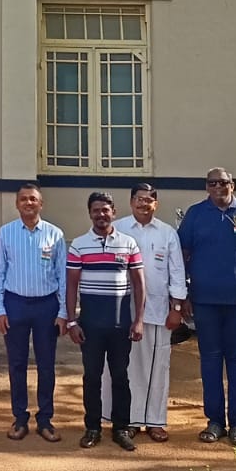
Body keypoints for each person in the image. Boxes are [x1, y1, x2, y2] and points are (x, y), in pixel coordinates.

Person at [178, 167, 236, 447]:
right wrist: (182, 294)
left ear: (233, 185)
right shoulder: (196, 215)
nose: (218, 187)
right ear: (206, 187)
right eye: (212, 183)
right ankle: (215, 421)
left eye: (223, 182)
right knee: (209, 361)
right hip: (204, 302)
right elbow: (181, 256)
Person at [0, 183, 69, 443]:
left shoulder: (55, 234)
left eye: (33, 199)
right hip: (16, 305)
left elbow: (63, 276)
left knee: (46, 365)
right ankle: (19, 418)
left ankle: (45, 419)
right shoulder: (6, 233)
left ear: (41, 204)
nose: (28, 203)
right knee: (17, 363)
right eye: (23, 199)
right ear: (17, 204)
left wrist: (64, 312)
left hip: (47, 306)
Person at [66, 192, 145, 452]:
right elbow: (71, 285)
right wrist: (72, 322)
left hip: (121, 325)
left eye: (106, 210)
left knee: (121, 377)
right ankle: (92, 428)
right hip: (90, 326)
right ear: (90, 213)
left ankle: (121, 428)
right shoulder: (79, 244)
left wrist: (138, 321)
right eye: (96, 210)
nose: (101, 214)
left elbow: (139, 284)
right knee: (92, 378)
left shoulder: (128, 243)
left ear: (114, 211)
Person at [109, 182, 186, 441]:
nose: (144, 204)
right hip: (122, 312)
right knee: (126, 368)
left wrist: (176, 308)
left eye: (149, 200)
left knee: (158, 367)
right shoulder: (117, 229)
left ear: (156, 204)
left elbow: (177, 272)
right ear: (131, 202)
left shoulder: (167, 234)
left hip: (157, 312)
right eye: (139, 199)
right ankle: (128, 420)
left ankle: (154, 421)